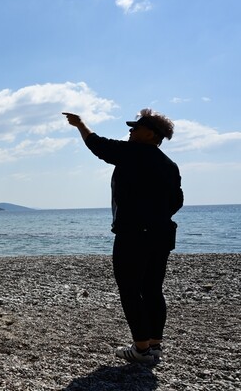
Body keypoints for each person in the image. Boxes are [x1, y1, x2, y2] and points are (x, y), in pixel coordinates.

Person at [63, 109, 184, 363]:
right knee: (152, 289)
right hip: (161, 234)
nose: (130, 131)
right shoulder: (169, 165)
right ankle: (154, 345)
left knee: (130, 290)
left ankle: (140, 349)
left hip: (133, 235)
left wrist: (80, 124)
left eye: (136, 128)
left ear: (150, 134)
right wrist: (156, 217)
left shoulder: (133, 153)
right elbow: (177, 201)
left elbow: (97, 145)